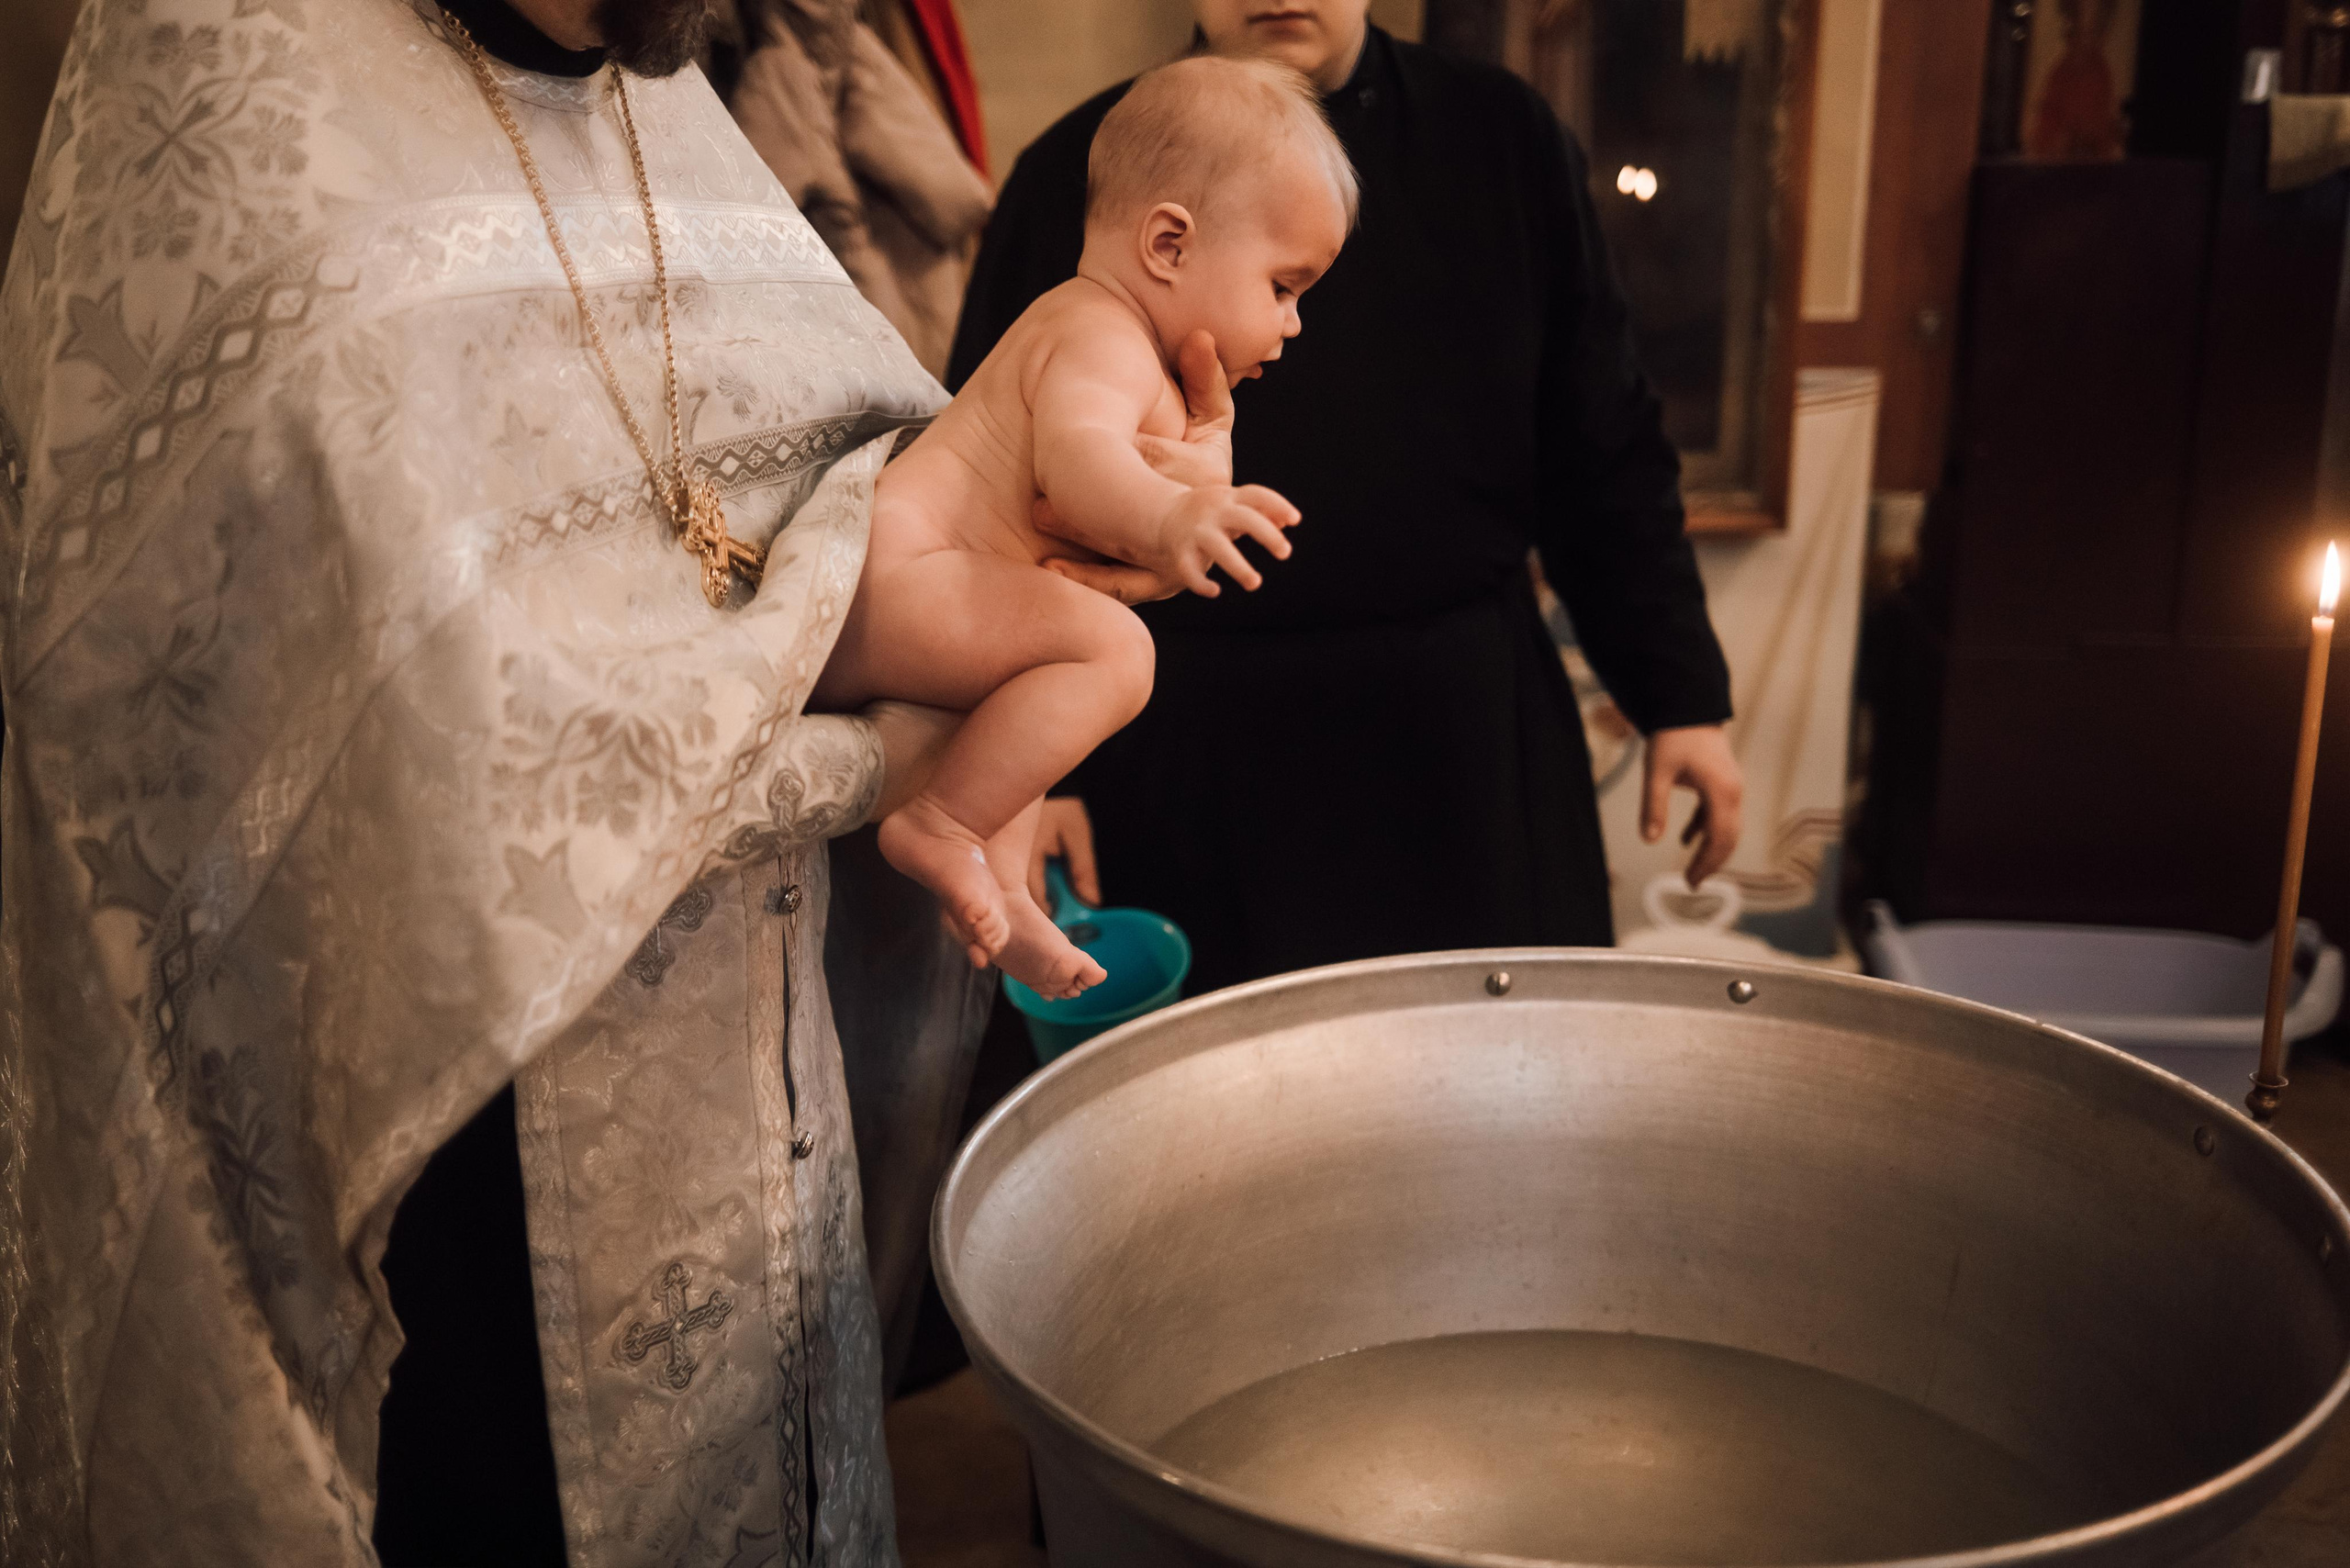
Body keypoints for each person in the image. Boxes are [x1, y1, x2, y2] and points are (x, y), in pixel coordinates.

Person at [0, 0, 986, 1563]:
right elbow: (398, 716)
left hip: (743, 1067)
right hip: (435, 1131)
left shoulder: (656, 93)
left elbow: (844, 452)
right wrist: (851, 725)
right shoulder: (227, 60)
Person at [952, 0, 1745, 991]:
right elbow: (987, 483)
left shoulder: (1503, 138)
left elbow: (1604, 445)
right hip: (1174, 748)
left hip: (1460, 747)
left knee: (1490, 1108)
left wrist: (1680, 697)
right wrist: (1040, 771)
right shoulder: (1084, 170)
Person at [817, 55, 1350, 1000]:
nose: (1294, 324)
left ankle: (1010, 888)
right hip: (901, 577)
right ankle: (939, 826)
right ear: (1169, 245)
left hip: (928, 586)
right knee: (1118, 654)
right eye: (1283, 286)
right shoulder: (1099, 330)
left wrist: (1188, 488)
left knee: (1040, 685)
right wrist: (1176, 513)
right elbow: (1077, 463)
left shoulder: (1129, 346)